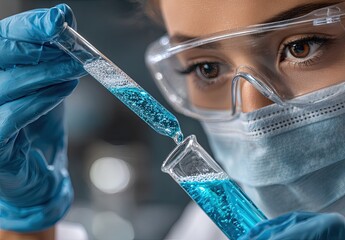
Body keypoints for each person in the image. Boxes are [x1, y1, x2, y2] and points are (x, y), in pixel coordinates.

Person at [1, 1, 345, 240]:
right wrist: (29, 228)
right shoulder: (217, 222)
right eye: (207, 68)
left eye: (302, 47)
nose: (252, 111)